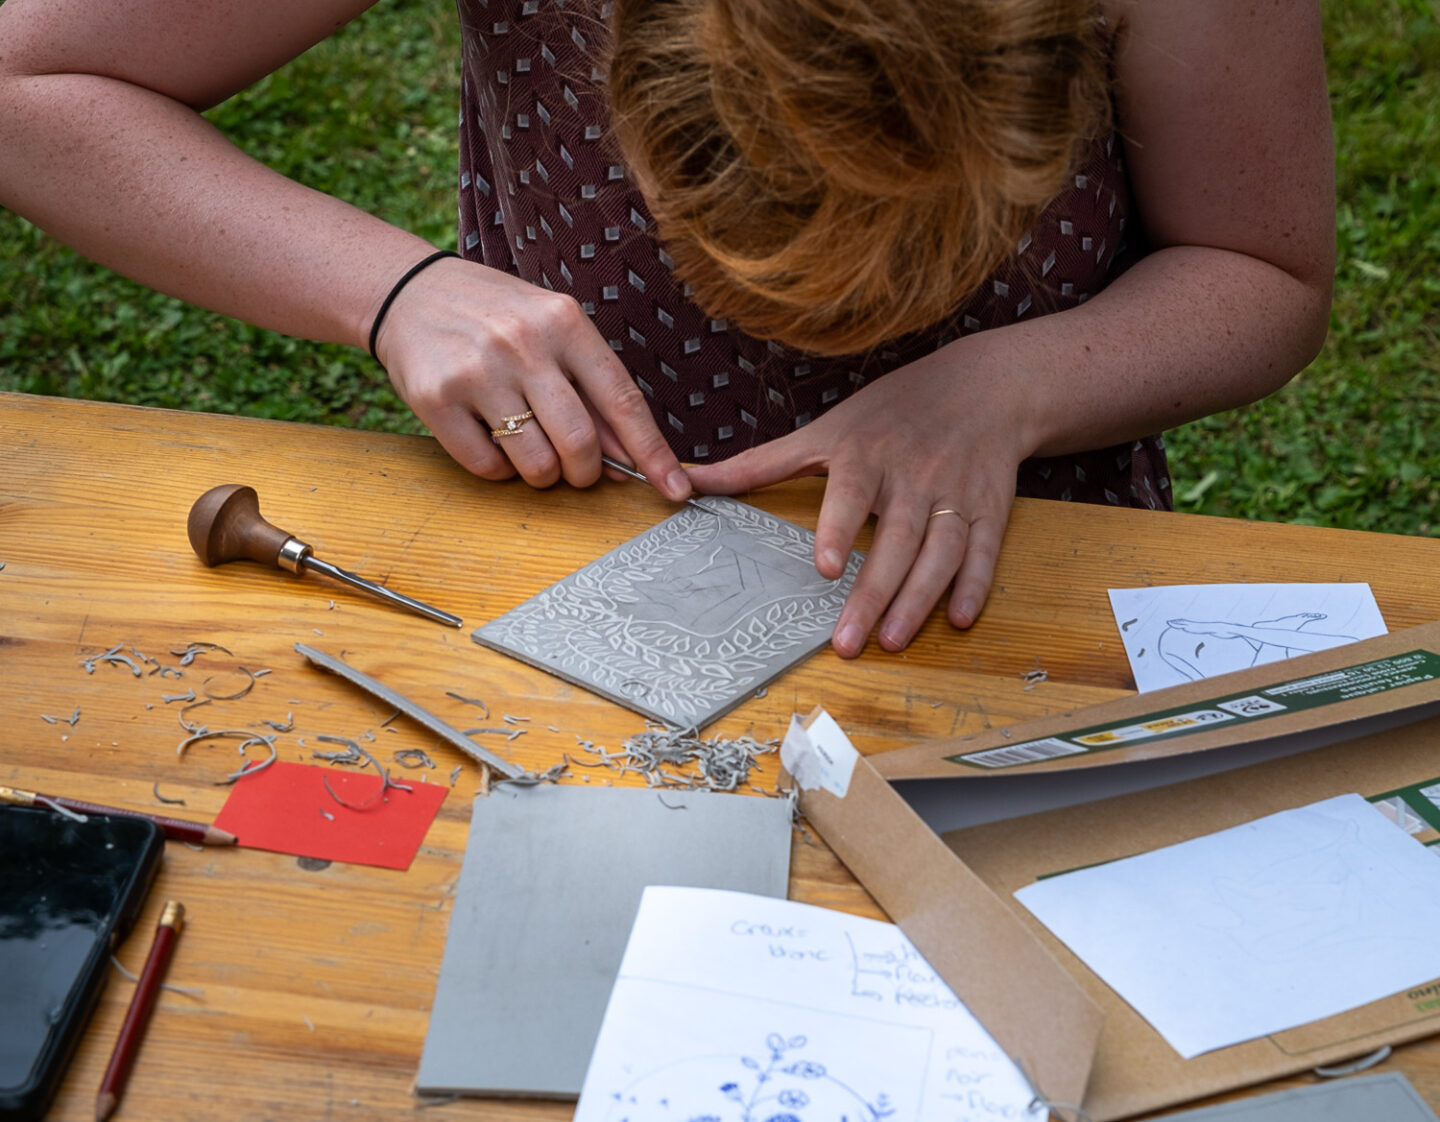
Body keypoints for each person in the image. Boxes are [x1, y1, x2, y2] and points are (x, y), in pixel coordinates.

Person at [0, 0, 1334, 656]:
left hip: (1018, 553)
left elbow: (1259, 266)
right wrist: (394, 290)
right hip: (581, 546)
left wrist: (1012, 385)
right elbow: (29, 79)